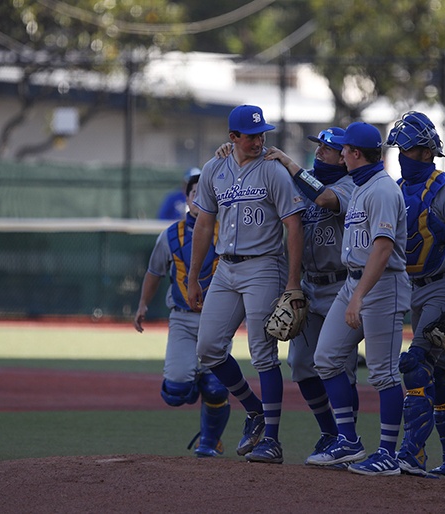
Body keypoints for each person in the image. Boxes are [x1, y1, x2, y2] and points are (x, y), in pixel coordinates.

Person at [215, 127, 361, 463]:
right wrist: (231, 150)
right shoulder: (303, 178)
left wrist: (291, 165)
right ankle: (329, 433)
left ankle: (348, 439)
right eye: (319, 146)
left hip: (342, 285)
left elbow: (324, 198)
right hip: (308, 285)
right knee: (300, 365)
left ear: (344, 155)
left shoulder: (354, 185)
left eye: (327, 148)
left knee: (340, 367)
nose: (319, 151)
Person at [187, 104, 305, 465]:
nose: (258, 140)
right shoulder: (214, 169)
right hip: (225, 268)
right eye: (250, 135)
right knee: (207, 348)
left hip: (264, 267)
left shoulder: (274, 171)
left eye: (261, 133)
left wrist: (292, 282)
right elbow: (204, 225)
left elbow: (294, 225)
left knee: (262, 353)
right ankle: (254, 410)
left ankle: (272, 439)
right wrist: (194, 277)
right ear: (232, 137)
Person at [381, 111, 445, 481]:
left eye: (406, 148)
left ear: (426, 151)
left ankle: (413, 452)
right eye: (399, 148)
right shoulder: (395, 187)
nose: (401, 155)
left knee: (415, 363)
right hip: (414, 288)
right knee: (440, 377)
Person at [307, 122, 412, 476]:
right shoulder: (364, 185)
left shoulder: (381, 189)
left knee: (383, 373)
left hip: (381, 286)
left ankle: (387, 454)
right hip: (355, 283)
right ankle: (348, 440)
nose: (340, 155)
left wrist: (358, 298)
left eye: (345, 150)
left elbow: (382, 250)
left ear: (352, 153)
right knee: (326, 358)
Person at [133, 173, 230, 457]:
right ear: (186, 199)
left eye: (206, 192)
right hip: (182, 318)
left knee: (216, 387)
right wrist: (142, 304)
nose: (199, 198)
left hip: (218, 319)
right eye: (194, 193)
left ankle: (210, 443)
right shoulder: (170, 235)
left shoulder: (226, 231)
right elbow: (154, 272)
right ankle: (197, 380)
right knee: (175, 392)